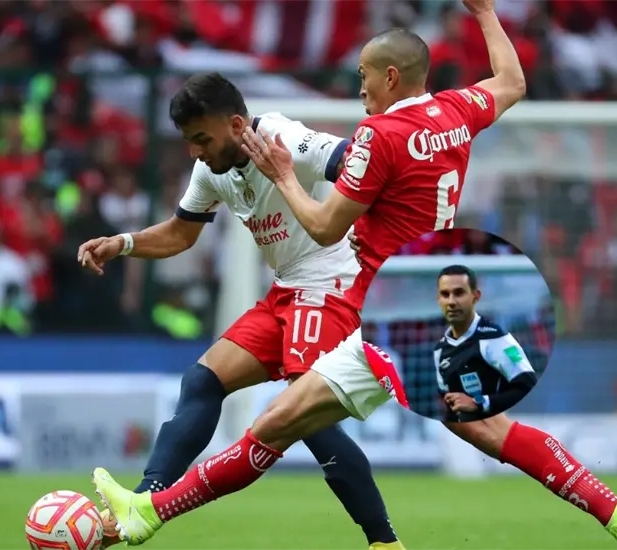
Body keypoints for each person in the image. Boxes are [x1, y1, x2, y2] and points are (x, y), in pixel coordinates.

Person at [92, 2, 617, 549]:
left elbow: (321, 226)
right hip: (419, 299)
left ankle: (158, 512)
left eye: (365, 75)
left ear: (392, 77)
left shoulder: (378, 137)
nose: (359, 86)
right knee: (472, 430)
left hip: (390, 308)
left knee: (285, 422)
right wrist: (485, 12)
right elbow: (511, 82)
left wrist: (286, 176)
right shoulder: (454, 111)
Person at [78, 72, 405, 550]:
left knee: (304, 415)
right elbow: (180, 233)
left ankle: (384, 542)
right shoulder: (211, 168)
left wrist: (374, 231)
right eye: (188, 141)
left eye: (201, 139)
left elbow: (361, 164)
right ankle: (144, 502)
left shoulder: (286, 138)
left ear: (236, 124)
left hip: (327, 288)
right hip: (286, 291)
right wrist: (123, 244)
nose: (195, 151)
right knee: (204, 380)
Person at [433, 264, 537, 422]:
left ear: (476, 296)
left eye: (459, 293)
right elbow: (450, 404)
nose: (451, 301)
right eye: (445, 294)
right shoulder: (440, 350)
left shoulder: (495, 338)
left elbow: (528, 387)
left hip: (500, 431)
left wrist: (480, 403)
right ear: (438, 299)